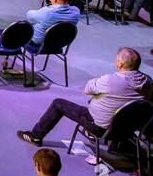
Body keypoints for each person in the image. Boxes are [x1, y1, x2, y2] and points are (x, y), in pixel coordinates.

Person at [18, 47, 152, 156]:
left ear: (120, 64)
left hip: (99, 126)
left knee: (58, 103)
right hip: (128, 128)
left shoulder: (110, 80)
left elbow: (87, 89)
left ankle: (35, 136)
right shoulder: (147, 80)